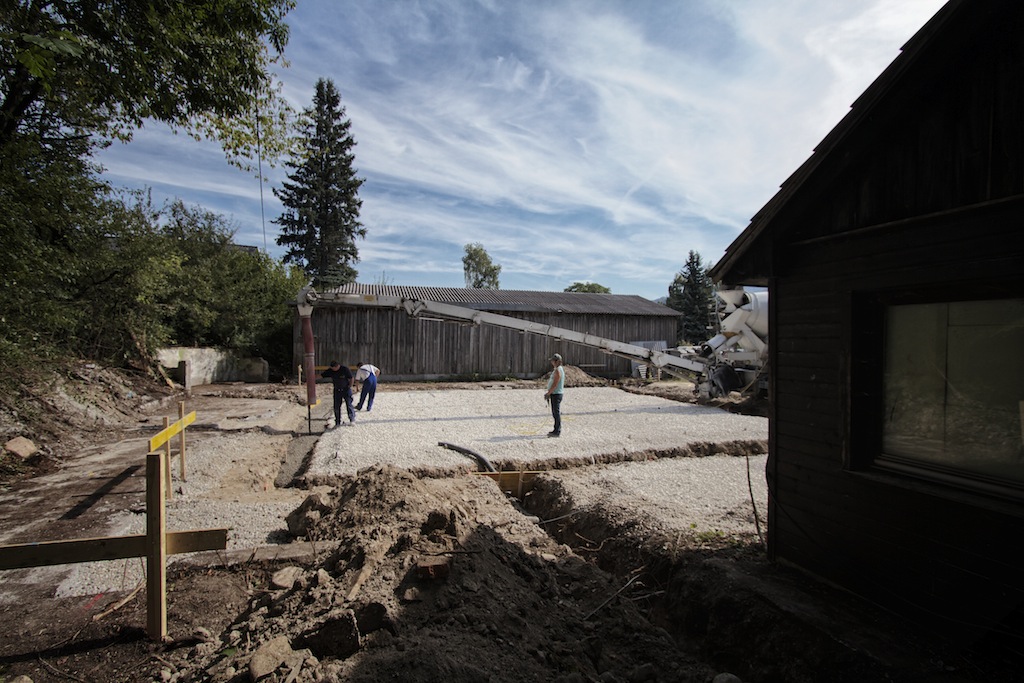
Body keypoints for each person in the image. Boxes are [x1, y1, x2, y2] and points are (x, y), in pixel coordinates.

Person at [321, 360, 355, 427]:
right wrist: (311, 377)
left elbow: (351, 378)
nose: (333, 369)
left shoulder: (345, 369)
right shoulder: (331, 370)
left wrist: (350, 386)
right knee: (336, 406)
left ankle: (352, 420)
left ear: (337, 366)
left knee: (349, 405)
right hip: (337, 390)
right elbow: (322, 375)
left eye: (334, 368)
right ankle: (337, 422)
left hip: (346, 390)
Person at [544, 353, 565, 437]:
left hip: (556, 394)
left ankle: (557, 431)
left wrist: (548, 393)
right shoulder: (558, 369)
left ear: (556, 361)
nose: (551, 362)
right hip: (556, 393)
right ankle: (556, 429)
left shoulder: (558, 370)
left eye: (553, 361)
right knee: (555, 412)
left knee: (556, 413)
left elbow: (555, 383)